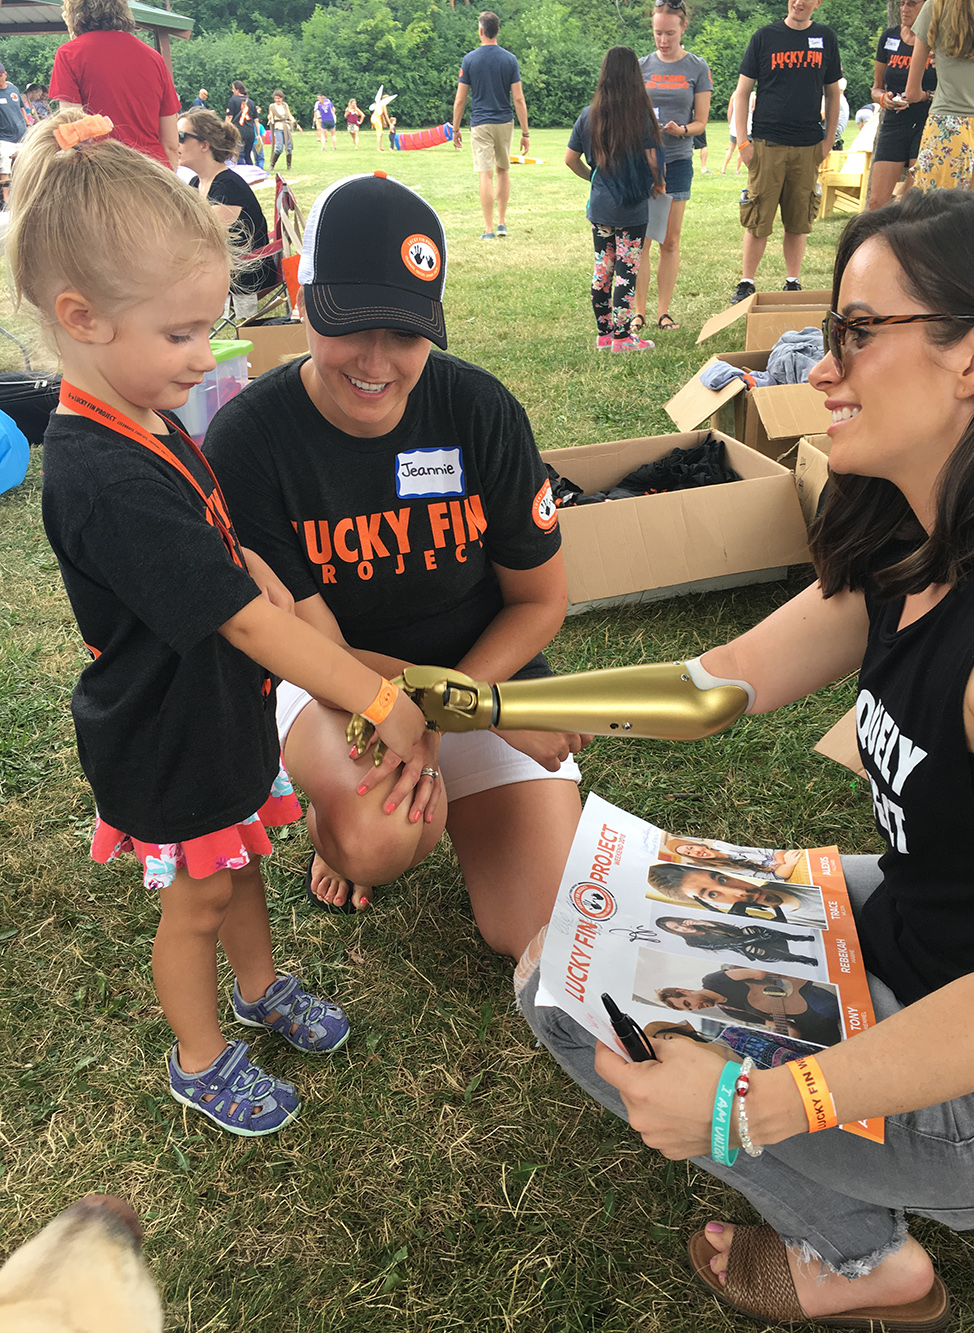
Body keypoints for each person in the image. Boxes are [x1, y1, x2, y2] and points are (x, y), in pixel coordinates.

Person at [517, 188, 974, 1329]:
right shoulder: (912, 545)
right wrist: (492, 705)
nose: (820, 368)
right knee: (603, 919)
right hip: (928, 930)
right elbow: (717, 677)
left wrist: (757, 1102)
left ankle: (861, 1265)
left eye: (856, 332)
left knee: (563, 990)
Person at [9, 111, 427, 1137]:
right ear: (83, 317)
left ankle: (259, 987)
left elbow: (208, 537)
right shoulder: (101, 474)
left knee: (237, 862)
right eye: (182, 332)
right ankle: (200, 1056)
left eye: (210, 325)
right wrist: (373, 695)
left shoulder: (141, 413)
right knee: (194, 899)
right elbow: (238, 625)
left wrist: (245, 559)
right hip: (166, 734)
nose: (208, 353)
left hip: (213, 718)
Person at [203, 172, 586, 960]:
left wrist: (469, 701)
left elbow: (541, 600)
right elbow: (315, 649)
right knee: (377, 837)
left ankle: (440, 789)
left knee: (543, 933)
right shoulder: (248, 441)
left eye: (407, 334)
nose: (377, 362)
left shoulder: (480, 410)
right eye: (351, 325)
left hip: (486, 669)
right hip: (338, 686)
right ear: (302, 299)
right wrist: (480, 710)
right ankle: (331, 826)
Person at [729, 0, 841, 304]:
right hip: (767, 143)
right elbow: (742, 93)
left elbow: (833, 94)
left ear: (817, 3)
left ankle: (792, 281)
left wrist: (828, 140)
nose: (799, 2)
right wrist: (743, 143)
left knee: (799, 218)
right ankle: (746, 282)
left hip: (808, 144)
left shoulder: (826, 38)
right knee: (758, 217)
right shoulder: (765, 37)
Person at [565, 46, 664, 353]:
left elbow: (570, 159)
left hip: (601, 206)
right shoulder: (642, 116)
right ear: (635, 75)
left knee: (603, 268)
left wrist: (593, 178)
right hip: (633, 207)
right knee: (626, 270)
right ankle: (623, 338)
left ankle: (604, 333)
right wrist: (659, 184)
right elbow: (652, 160)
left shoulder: (589, 115)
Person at [633, 0, 712, 333]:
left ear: (683, 28)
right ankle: (638, 313)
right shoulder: (640, 66)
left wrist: (682, 130)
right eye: (657, 33)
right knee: (641, 241)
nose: (662, 40)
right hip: (642, 162)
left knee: (670, 240)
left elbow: (702, 123)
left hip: (678, 159)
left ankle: (664, 312)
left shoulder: (697, 67)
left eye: (669, 32)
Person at [48, 0, 180, 169]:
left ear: (73, 15)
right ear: (123, 11)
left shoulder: (69, 55)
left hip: (102, 172)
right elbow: (171, 145)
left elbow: (74, 130)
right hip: (153, 170)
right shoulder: (154, 58)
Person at [177, 110, 281, 321]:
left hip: (246, 269)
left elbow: (202, 236)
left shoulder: (229, 186)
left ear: (204, 145)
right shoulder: (197, 183)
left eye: (180, 137)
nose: (173, 143)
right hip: (222, 265)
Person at [906, 0, 974, 191]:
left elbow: (912, 92)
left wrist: (926, 95)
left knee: (933, 213)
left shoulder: (936, 5)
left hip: (947, 125)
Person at [451, 11, 530, 240]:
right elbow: (518, 99)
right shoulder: (509, 60)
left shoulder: (470, 60)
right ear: (498, 30)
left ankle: (488, 229)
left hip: (480, 123)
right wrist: (525, 133)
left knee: (485, 175)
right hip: (504, 121)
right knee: (503, 171)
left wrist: (455, 129)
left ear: (480, 31)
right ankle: (502, 223)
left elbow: (460, 99)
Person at [868, 0, 937, 210]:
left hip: (926, 121)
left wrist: (924, 96)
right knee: (876, 202)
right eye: (902, 4)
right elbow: (876, 87)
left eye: (912, 4)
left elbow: (950, 87)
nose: (905, 9)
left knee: (912, 200)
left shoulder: (937, 40)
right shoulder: (889, 37)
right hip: (895, 121)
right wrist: (883, 98)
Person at [655, 967, 841, 1045]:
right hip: (803, 1019)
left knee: (829, 1010)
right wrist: (791, 1037)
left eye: (688, 1003)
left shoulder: (713, 980)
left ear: (685, 991)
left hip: (802, 996)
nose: (695, 1007)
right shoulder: (731, 1012)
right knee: (822, 1044)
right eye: (689, 1010)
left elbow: (758, 972)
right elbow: (773, 1023)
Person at [647, 861, 805, 922]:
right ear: (713, 906)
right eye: (712, 895)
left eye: (722, 879)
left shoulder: (796, 875)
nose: (739, 891)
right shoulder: (794, 923)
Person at [657, 917, 819, 967]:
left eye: (679, 924)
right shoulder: (692, 942)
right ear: (675, 932)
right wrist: (755, 939)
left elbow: (733, 931)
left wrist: (707, 923)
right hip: (742, 945)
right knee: (752, 947)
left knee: (753, 928)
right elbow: (727, 944)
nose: (682, 928)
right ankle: (802, 960)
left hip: (743, 934)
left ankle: (798, 938)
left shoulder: (701, 924)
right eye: (677, 929)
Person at [661, 836, 802, 879]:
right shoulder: (723, 869)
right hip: (790, 873)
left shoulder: (721, 845)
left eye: (691, 848)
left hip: (790, 860)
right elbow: (773, 877)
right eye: (688, 854)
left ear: (696, 844)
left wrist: (782, 860)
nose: (695, 853)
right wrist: (787, 865)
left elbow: (770, 850)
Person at [0, 63, 31, 202]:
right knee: (5, 167)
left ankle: (24, 194)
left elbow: (21, 107)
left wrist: (28, 123)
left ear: (5, 75)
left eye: (0, 75)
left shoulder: (13, 89)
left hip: (21, 134)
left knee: (24, 164)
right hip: (4, 137)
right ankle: (6, 199)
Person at [224, 80, 258, 167]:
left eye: (233, 89)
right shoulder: (251, 102)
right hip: (250, 132)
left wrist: (225, 130)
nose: (232, 91)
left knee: (239, 155)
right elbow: (256, 120)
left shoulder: (233, 100)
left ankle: (242, 176)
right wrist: (258, 134)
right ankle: (251, 175)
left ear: (237, 90)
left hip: (238, 131)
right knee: (248, 156)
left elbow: (229, 117)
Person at [721, 87, 753, 174]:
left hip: (734, 124)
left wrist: (730, 123)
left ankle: (724, 168)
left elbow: (729, 110)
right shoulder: (752, 95)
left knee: (731, 147)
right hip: (746, 125)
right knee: (742, 146)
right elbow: (753, 110)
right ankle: (737, 169)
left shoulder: (734, 94)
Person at [267, 89, 299, 172]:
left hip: (286, 127)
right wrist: (270, 118)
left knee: (289, 147)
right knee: (279, 147)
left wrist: (296, 124)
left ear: (282, 98)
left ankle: (289, 165)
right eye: (276, 98)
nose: (277, 100)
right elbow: (271, 115)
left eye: (279, 98)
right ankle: (272, 164)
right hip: (278, 127)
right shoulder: (272, 106)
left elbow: (289, 115)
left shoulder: (285, 105)